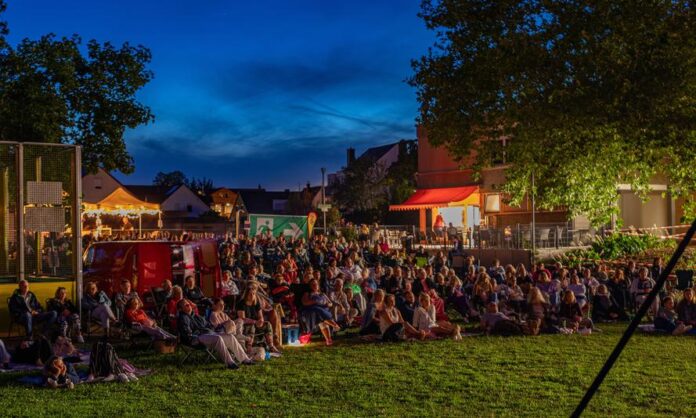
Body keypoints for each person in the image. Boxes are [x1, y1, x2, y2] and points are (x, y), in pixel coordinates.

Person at [177, 300, 246, 369]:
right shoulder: (183, 318)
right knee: (218, 338)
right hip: (196, 338)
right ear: (181, 309)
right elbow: (187, 333)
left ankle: (245, 359)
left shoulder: (196, 316)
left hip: (209, 334)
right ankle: (230, 363)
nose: (188, 305)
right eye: (185, 305)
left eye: (188, 304)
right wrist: (196, 336)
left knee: (230, 337)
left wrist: (216, 330)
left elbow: (209, 325)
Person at [236, 283, 281, 355]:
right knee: (251, 326)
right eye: (250, 294)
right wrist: (254, 322)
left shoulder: (256, 303)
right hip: (245, 325)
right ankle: (249, 347)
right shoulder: (241, 303)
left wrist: (261, 321)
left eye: (253, 294)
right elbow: (242, 318)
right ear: (246, 294)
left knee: (267, 324)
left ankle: (271, 346)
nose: (252, 295)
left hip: (255, 323)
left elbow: (260, 316)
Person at [302, 279, 341, 345]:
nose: (315, 285)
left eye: (316, 284)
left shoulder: (322, 294)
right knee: (318, 312)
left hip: (323, 310)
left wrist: (327, 304)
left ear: (318, 285)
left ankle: (329, 340)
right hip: (312, 310)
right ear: (310, 286)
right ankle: (334, 325)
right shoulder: (308, 293)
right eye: (313, 284)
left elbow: (330, 303)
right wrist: (315, 301)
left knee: (321, 320)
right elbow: (304, 302)